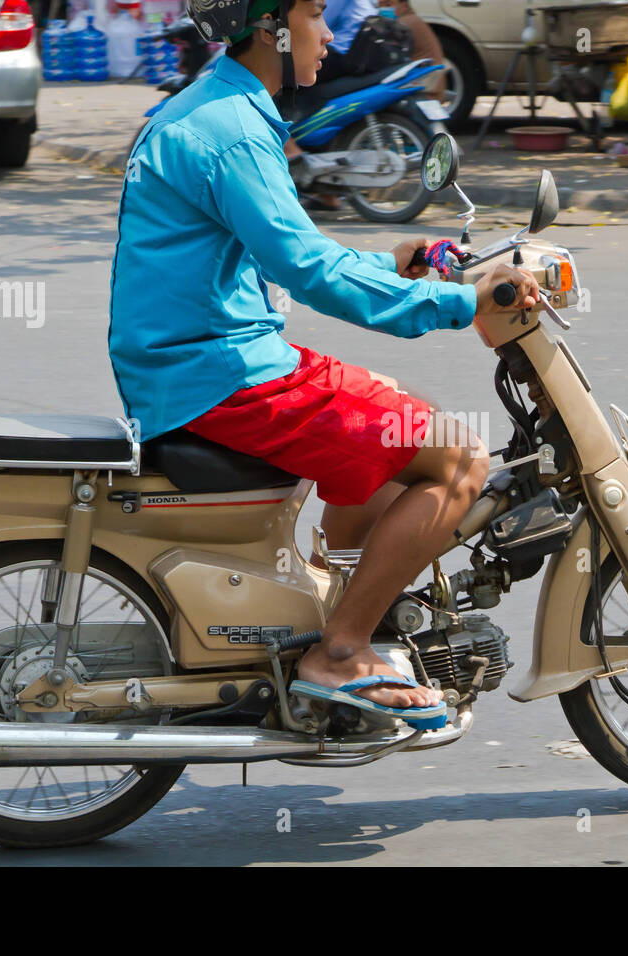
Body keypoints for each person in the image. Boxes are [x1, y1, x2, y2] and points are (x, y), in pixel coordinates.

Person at [109, 0, 539, 723]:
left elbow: (294, 252)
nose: (330, 34)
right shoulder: (234, 131)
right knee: (461, 461)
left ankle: (334, 600)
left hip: (206, 358)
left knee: (391, 406)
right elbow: (309, 272)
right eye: (315, 14)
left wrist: (396, 261)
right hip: (220, 377)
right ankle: (340, 649)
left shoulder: (213, 108)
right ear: (274, 26)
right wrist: (463, 302)